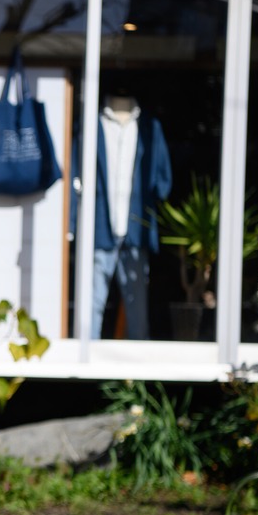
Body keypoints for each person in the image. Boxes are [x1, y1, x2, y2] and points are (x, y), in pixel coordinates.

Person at [72, 94, 172, 339]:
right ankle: (85, 354)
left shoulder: (149, 127)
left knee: (137, 304)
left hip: (135, 230)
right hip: (99, 227)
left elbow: (163, 180)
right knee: (92, 302)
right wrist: (72, 223)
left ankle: (138, 359)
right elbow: (75, 174)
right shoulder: (90, 125)